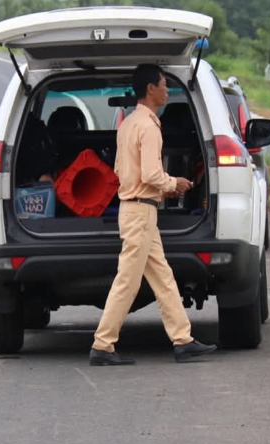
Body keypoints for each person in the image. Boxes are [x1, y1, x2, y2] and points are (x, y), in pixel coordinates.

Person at [89, 63, 217, 366]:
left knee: (163, 278)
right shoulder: (148, 126)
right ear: (151, 89)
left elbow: (122, 170)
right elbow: (150, 173)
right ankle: (102, 344)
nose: (167, 90)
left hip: (134, 208)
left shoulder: (129, 124)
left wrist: (160, 186)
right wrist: (175, 183)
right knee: (128, 282)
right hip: (141, 211)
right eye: (164, 84)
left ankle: (182, 340)